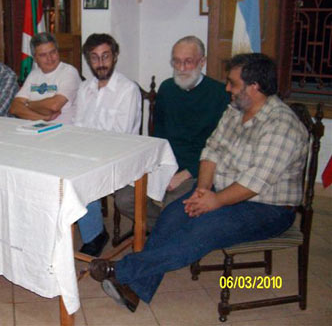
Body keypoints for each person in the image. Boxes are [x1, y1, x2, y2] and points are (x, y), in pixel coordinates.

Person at [88, 53, 309, 312]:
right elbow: (211, 151)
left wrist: (213, 201)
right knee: (173, 215)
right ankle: (137, 289)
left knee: (200, 229)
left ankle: (121, 269)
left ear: (255, 87)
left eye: (233, 84)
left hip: (268, 208)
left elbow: (255, 182)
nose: (227, 88)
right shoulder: (236, 110)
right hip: (223, 189)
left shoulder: (282, 126)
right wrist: (202, 191)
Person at [115, 36, 230, 229]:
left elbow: (221, 149)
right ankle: (169, 231)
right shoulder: (167, 88)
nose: (181, 68)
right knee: (124, 198)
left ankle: (170, 231)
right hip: (165, 162)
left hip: (197, 169)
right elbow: (159, 136)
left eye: (188, 61)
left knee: (173, 208)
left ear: (202, 62)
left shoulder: (220, 94)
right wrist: (158, 167)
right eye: (176, 61)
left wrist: (184, 174)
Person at [73, 33, 142, 256]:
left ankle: (94, 234)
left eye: (105, 56)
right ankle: (90, 229)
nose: (100, 63)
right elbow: (78, 127)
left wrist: (87, 144)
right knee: (61, 170)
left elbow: (120, 136)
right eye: (94, 58)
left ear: (115, 56)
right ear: (88, 60)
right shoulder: (85, 89)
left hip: (120, 157)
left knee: (80, 176)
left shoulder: (127, 89)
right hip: (89, 154)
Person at [9, 32, 81, 123]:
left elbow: (54, 106)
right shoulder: (34, 74)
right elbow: (14, 108)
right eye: (43, 55)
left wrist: (28, 105)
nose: (49, 58)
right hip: (38, 128)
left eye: (53, 52)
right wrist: (43, 118)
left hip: (64, 130)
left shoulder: (69, 72)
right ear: (35, 58)